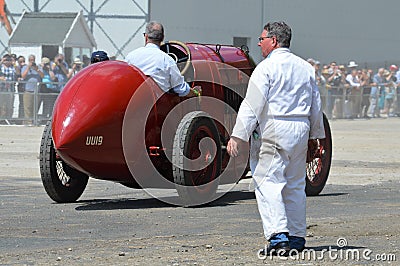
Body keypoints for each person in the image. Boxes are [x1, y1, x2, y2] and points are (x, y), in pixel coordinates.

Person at [226, 21, 325, 256]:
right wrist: (316, 137)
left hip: (274, 127)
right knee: (295, 184)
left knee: (268, 182)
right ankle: (297, 237)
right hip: (300, 128)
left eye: (262, 39)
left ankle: (278, 237)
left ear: (274, 40)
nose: (259, 43)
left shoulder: (265, 68)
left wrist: (238, 135)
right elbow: (316, 106)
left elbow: (252, 105)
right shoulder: (305, 68)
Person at [125, 21, 199, 97]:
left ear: (146, 36)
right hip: (157, 104)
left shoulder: (130, 57)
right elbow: (180, 88)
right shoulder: (167, 60)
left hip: (133, 102)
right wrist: (195, 93)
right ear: (162, 38)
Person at [21, 54, 43, 125]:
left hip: (37, 91)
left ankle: (34, 121)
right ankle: (28, 122)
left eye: (33, 60)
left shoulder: (39, 67)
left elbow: (42, 76)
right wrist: (28, 67)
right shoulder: (25, 67)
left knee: (36, 107)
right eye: (30, 60)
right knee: (27, 107)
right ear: (28, 60)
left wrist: (37, 69)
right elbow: (23, 76)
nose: (32, 61)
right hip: (28, 90)